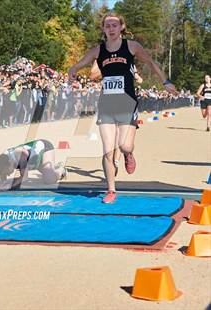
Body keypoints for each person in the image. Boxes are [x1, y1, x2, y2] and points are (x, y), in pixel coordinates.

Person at [68, 12, 177, 204]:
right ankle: (111, 190)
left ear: (121, 28)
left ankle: (128, 154)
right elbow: (78, 65)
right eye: (107, 25)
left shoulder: (131, 46)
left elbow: (150, 63)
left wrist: (166, 82)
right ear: (103, 29)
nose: (111, 28)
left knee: (125, 145)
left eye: (114, 25)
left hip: (128, 103)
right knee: (108, 150)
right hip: (107, 104)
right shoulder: (98, 51)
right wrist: (72, 72)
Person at [0, 139, 66, 190]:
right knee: (47, 174)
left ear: (9, 163)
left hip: (45, 149)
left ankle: (61, 169)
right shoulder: (2, 159)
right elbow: (1, 177)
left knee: (49, 180)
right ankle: (52, 167)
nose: (8, 175)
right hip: (34, 162)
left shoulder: (19, 153)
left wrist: (9, 186)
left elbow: (24, 178)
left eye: (6, 173)